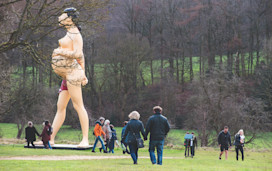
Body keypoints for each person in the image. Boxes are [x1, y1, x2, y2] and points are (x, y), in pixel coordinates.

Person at [50, 7, 89, 147]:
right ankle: (50, 138)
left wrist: (60, 51)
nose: (60, 18)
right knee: (60, 107)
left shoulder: (76, 35)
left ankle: (85, 139)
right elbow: (81, 57)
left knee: (78, 106)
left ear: (70, 18)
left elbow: (78, 54)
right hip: (66, 74)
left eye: (63, 15)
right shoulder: (69, 33)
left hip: (72, 73)